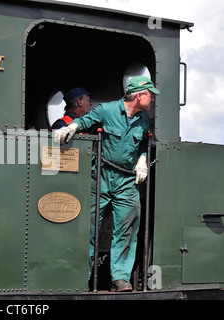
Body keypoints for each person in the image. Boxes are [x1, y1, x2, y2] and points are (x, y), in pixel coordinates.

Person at [54, 76, 159, 292]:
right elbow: (85, 121)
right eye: (150, 95)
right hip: (101, 176)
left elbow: (143, 144)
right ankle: (81, 275)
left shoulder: (142, 118)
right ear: (139, 95)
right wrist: (71, 127)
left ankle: (120, 277)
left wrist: (142, 160)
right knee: (89, 227)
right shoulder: (106, 110)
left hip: (126, 180)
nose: (152, 99)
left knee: (127, 228)